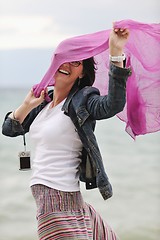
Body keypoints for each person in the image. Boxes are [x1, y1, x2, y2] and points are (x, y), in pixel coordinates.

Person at [2, 26, 131, 240]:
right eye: (66, 58)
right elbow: (8, 129)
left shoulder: (83, 99)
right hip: (54, 200)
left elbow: (112, 105)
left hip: (61, 199)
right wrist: (26, 105)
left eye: (76, 62)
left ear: (82, 73)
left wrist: (116, 53)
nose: (68, 65)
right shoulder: (41, 104)